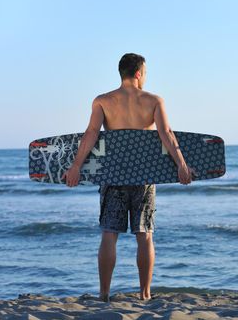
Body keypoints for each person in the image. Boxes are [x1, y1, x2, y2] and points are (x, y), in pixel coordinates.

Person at [61, 53, 194, 302]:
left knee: (109, 234)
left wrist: (76, 166)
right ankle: (144, 294)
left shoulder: (103, 101)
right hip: (143, 176)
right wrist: (182, 165)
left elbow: (91, 133)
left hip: (113, 175)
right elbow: (166, 134)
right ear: (138, 73)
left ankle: (104, 294)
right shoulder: (154, 100)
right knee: (144, 234)